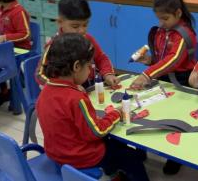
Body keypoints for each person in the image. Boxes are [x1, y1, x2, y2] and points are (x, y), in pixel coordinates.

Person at [36, 33, 149, 181]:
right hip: (81, 158)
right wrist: (117, 113)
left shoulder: (45, 91)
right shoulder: (76, 97)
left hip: (56, 154)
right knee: (131, 158)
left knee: (114, 144)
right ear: (76, 66)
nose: (90, 70)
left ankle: (114, 173)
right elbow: (97, 131)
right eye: (89, 66)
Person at [130, 0, 197, 175]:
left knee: (175, 119)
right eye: (159, 18)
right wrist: (150, 61)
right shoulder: (162, 30)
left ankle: (175, 157)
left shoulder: (184, 33)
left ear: (178, 13)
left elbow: (174, 60)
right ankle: (140, 149)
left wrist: (147, 74)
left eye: (165, 19)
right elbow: (162, 59)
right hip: (164, 76)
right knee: (148, 111)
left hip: (182, 81)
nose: (162, 23)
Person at [36, 0, 120, 88]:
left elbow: (101, 58)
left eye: (85, 25)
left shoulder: (88, 39)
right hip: (67, 94)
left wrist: (108, 74)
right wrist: (68, 86)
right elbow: (40, 75)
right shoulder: (53, 46)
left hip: (91, 87)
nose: (82, 31)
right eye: (75, 26)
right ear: (60, 22)